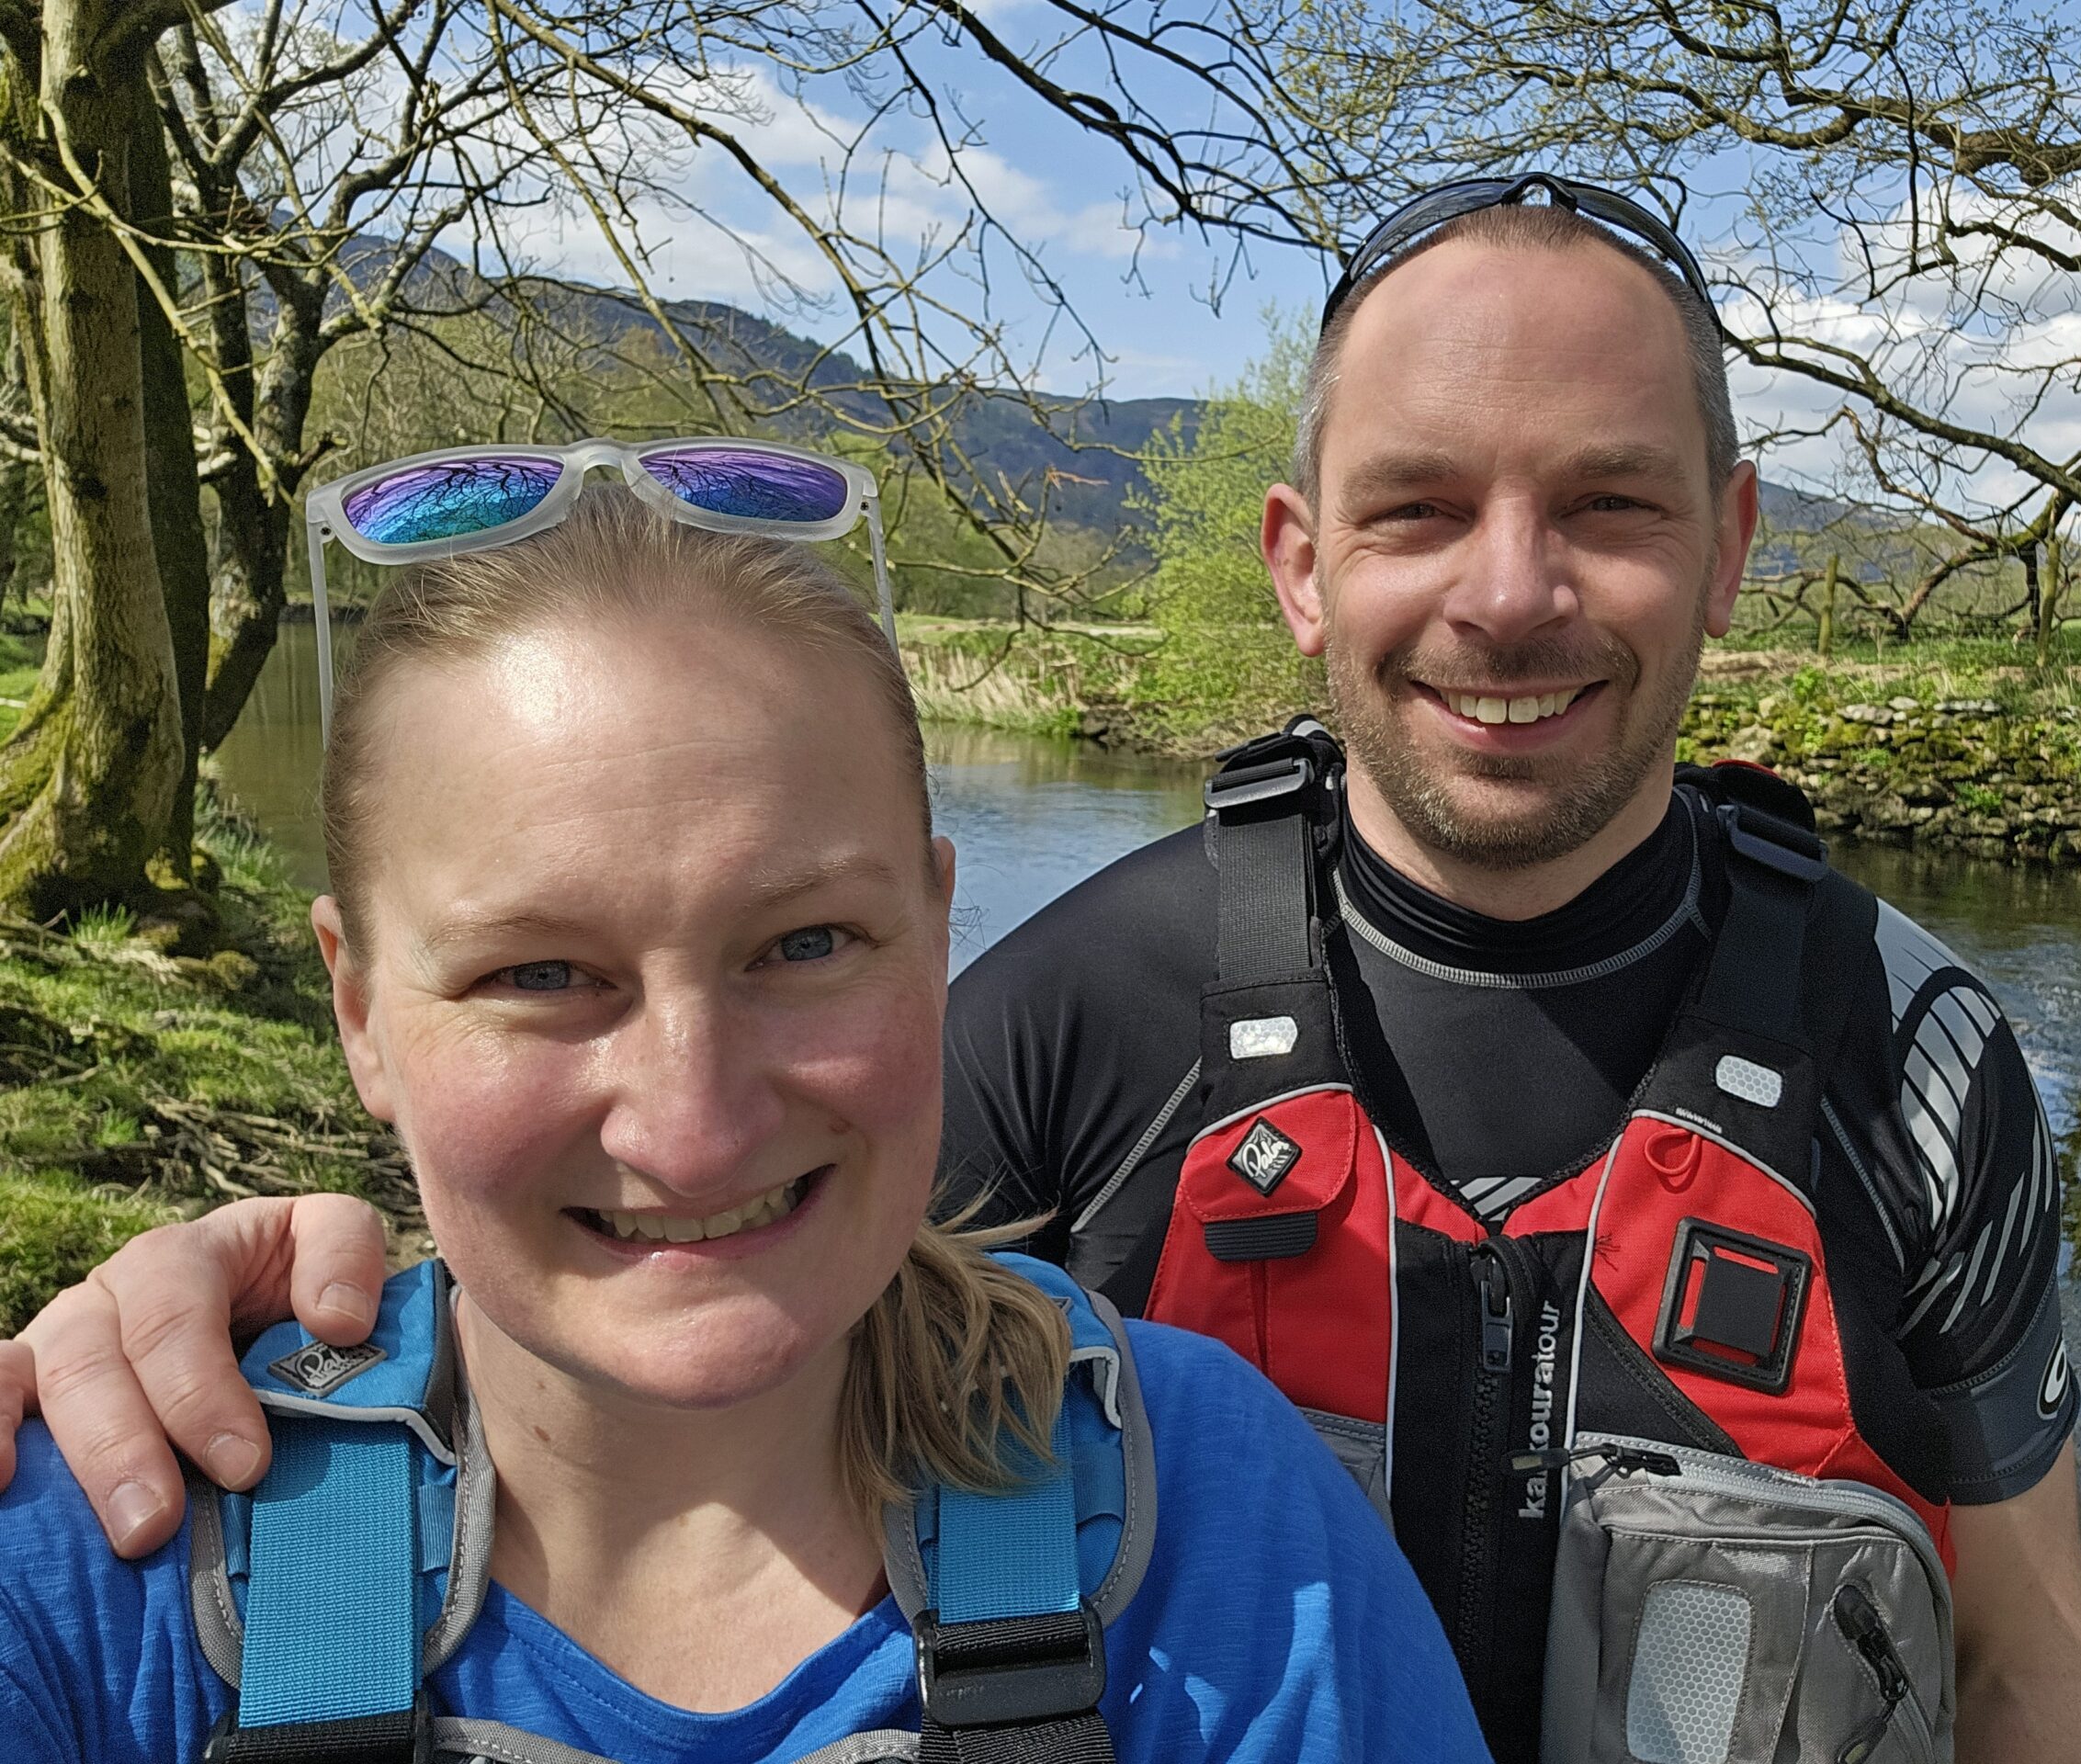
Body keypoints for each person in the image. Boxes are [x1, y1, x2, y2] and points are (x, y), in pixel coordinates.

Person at [0, 178, 2081, 1761]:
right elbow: (694, 1289)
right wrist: (306, 1300)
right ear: (1297, 563)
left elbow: (2026, 1654)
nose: (1508, 591)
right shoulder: (1070, 1010)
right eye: (1417, 508)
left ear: (1732, 543)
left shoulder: (1914, 1064)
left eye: (1610, 505)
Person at [0, 474, 1489, 1762]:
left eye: (805, 944)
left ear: (940, 931)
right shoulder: (100, 1563)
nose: (693, 1128)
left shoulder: (1222, 1536)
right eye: (538, 974)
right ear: (359, 1011)